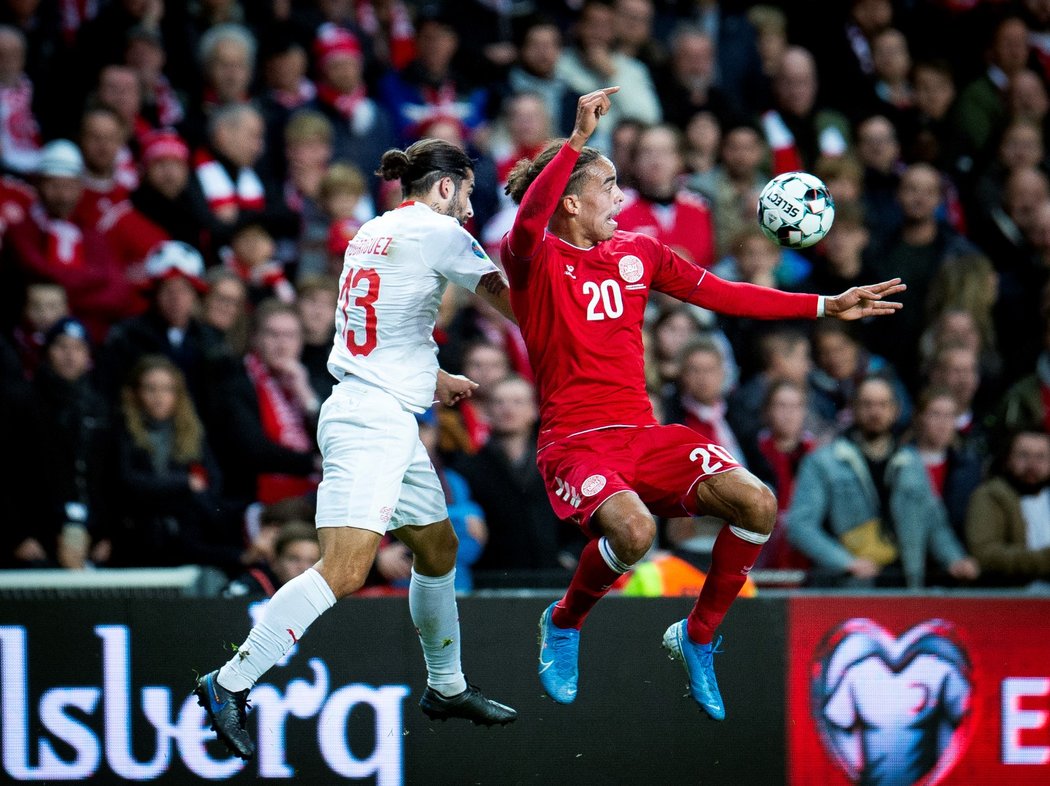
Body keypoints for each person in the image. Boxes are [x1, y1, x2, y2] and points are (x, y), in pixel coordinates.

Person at [500, 87, 904, 719]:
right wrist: (576, 141)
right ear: (571, 200)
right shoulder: (536, 260)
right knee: (633, 531)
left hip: (641, 432)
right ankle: (565, 620)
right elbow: (528, 221)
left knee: (757, 503)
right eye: (608, 186)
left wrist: (827, 304)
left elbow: (725, 294)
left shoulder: (639, 252)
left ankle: (698, 635)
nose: (621, 198)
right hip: (574, 442)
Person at [194, 137, 518, 761]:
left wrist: (433, 377)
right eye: (469, 193)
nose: (472, 209)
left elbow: (378, 332)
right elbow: (512, 305)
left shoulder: (372, 231)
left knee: (437, 545)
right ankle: (229, 682)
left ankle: (446, 686)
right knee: (344, 569)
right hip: (371, 421)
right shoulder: (438, 231)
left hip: (379, 408)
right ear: (445, 187)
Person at [786, 375, 979, 589]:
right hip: (846, 588)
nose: (875, 412)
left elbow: (933, 522)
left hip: (904, 586)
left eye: (882, 404)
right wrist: (845, 562)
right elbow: (799, 525)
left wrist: (955, 559)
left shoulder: (911, 462)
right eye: (867, 404)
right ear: (853, 409)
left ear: (895, 410)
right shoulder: (824, 462)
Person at [966, 429, 1050, 586]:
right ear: (1008, 459)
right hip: (1014, 594)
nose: (1032, 465)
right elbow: (985, 554)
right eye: (1023, 455)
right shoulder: (990, 495)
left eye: (1041, 457)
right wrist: (1044, 560)